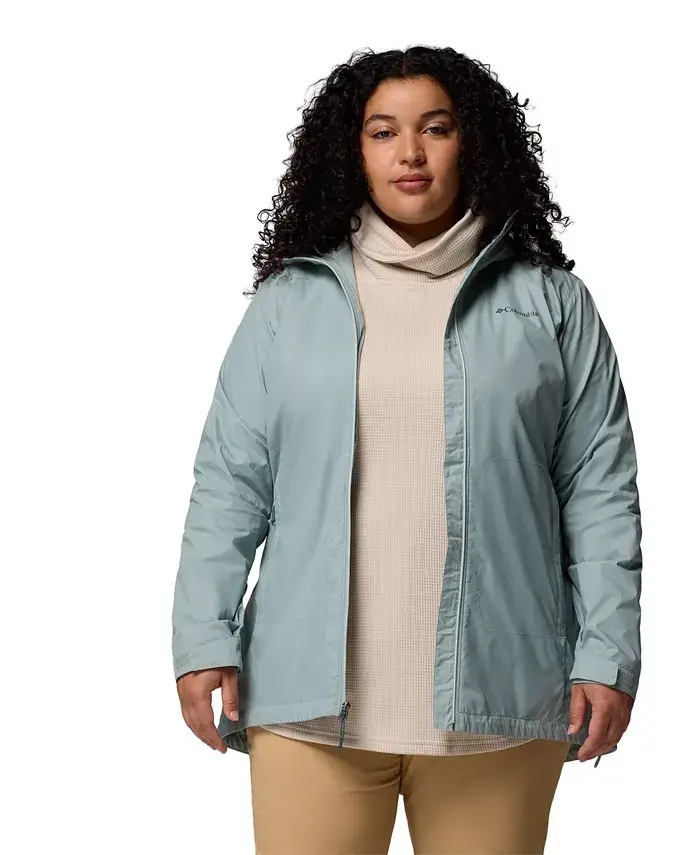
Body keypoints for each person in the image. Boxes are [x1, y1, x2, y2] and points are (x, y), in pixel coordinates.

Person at [171, 46, 642, 854]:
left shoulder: (552, 304)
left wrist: (608, 652)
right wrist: (203, 635)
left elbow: (599, 491)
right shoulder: (287, 305)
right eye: (383, 132)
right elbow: (229, 482)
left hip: (500, 706)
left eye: (436, 128)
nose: (411, 153)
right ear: (351, 152)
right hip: (305, 706)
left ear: (474, 143)